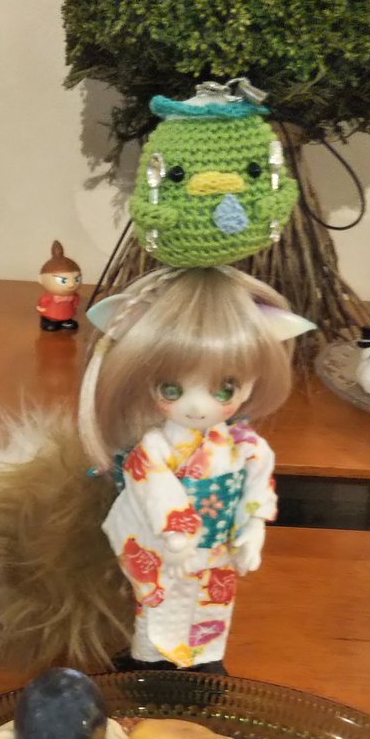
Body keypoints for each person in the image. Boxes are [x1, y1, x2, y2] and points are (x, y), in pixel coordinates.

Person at [79, 265, 295, 671]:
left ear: (253, 380)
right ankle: (149, 664)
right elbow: (153, 489)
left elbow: (256, 489)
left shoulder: (245, 446)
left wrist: (253, 529)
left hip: (218, 551)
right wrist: (176, 539)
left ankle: (205, 665)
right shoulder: (154, 448)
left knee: (213, 609)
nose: (197, 406)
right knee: (157, 609)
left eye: (224, 389)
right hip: (165, 547)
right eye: (172, 389)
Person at [37, 241, 82, 331]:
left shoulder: (73, 295)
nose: (71, 284)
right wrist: (42, 309)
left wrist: (74, 303)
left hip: (68, 313)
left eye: (76, 279)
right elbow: (42, 303)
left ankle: (66, 321)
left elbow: (76, 301)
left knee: (68, 319)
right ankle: (48, 321)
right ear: (41, 279)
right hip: (51, 314)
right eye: (63, 280)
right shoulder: (49, 296)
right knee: (51, 326)